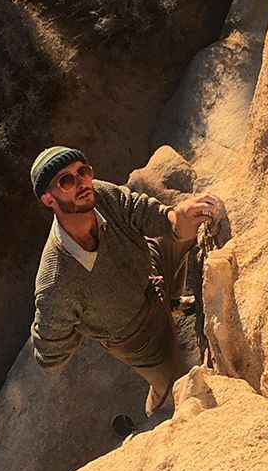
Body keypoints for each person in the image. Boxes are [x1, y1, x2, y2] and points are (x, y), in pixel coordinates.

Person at [29, 146, 226, 418]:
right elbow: (49, 356)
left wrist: (176, 217)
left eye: (82, 172)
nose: (82, 183)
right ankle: (153, 416)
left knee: (192, 224)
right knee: (180, 390)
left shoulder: (100, 194)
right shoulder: (57, 281)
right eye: (66, 180)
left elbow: (136, 208)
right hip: (138, 336)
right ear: (49, 200)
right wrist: (86, 323)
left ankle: (171, 305)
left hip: (152, 271)